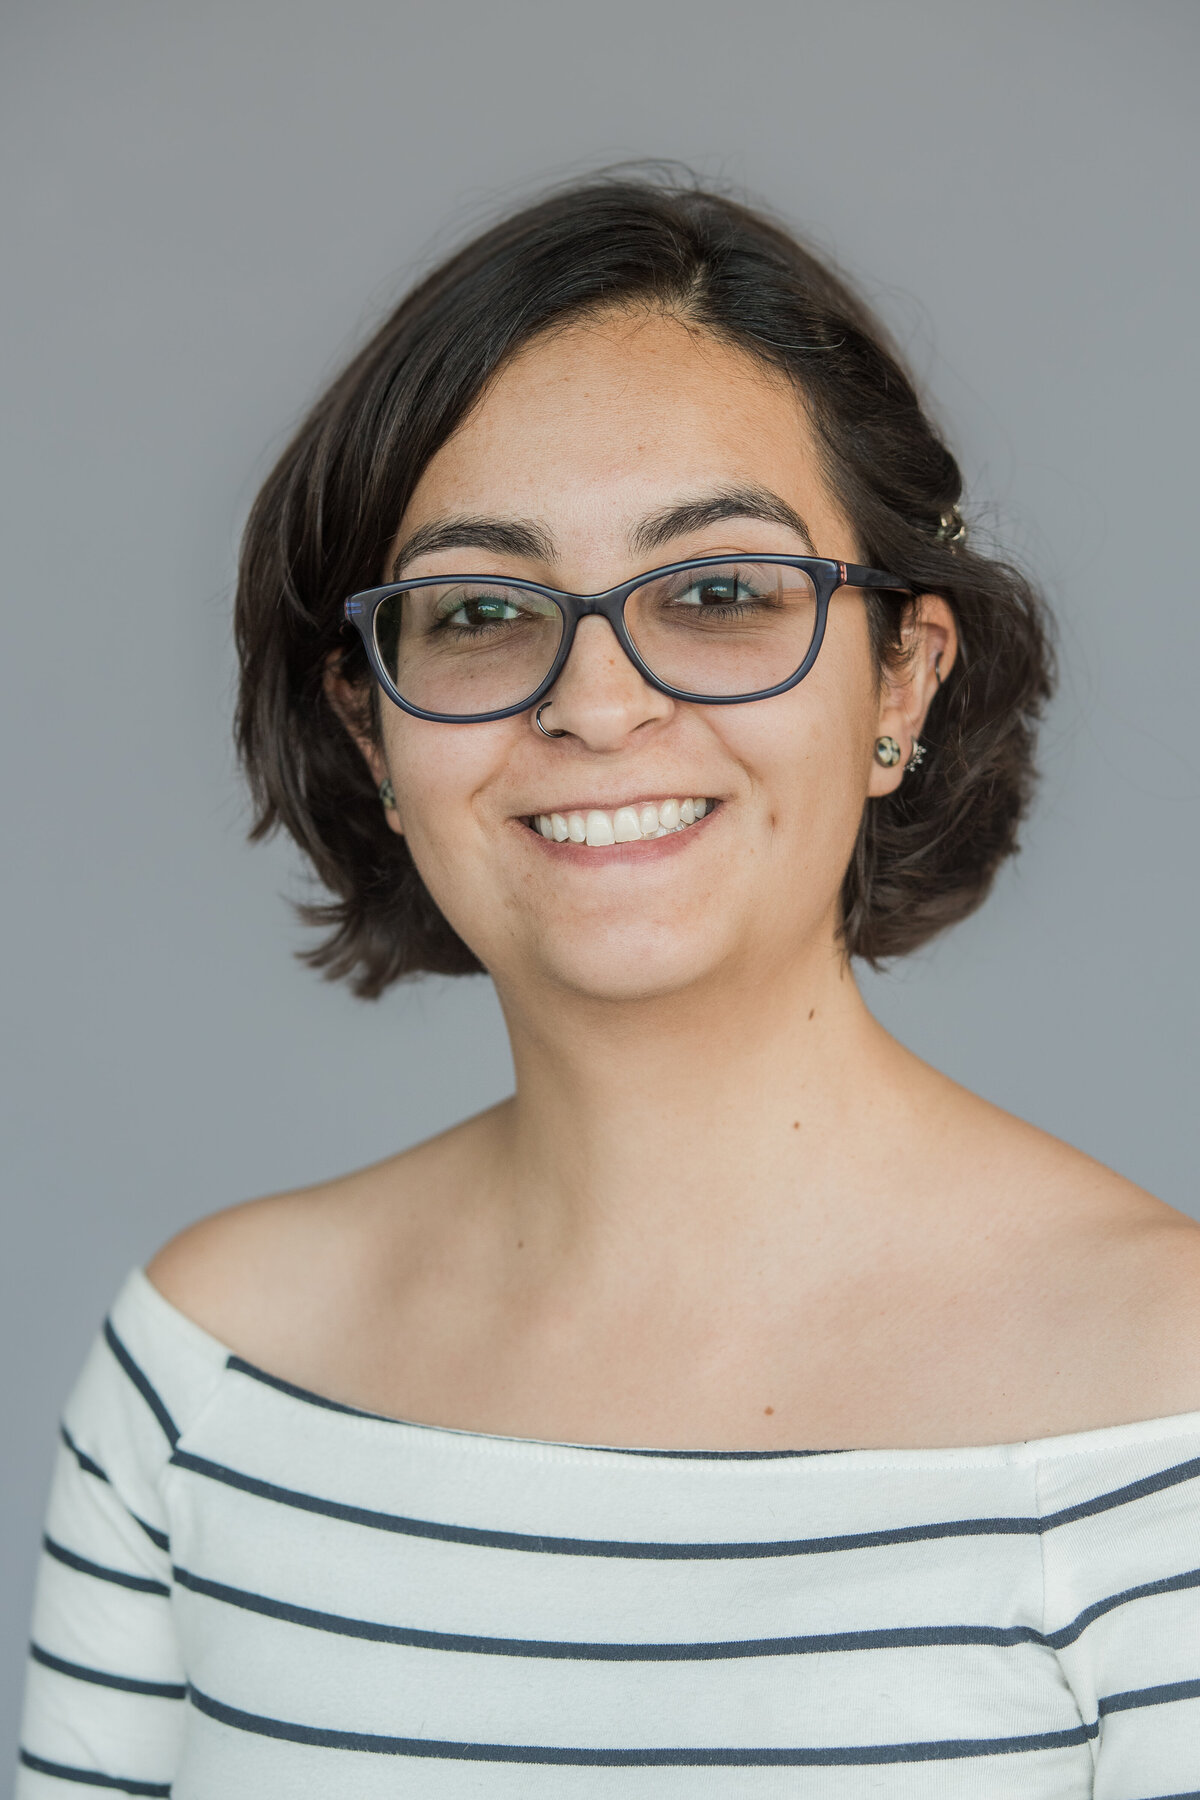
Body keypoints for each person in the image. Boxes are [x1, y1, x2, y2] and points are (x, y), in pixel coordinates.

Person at [17, 175, 1200, 1798]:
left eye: (717, 593)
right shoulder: (205, 1366)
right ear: (372, 734)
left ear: (902, 680)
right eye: (483, 611)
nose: (596, 703)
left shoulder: (1169, 1397)